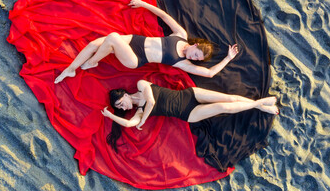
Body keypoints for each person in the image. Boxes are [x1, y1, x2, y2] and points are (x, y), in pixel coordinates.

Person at [54, 0, 239, 83]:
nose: (194, 58)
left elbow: (209, 74)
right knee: (94, 44)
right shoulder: (181, 34)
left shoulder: (183, 63)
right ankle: (70, 69)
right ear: (196, 45)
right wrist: (143, 4)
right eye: (196, 55)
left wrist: (228, 58)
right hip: (134, 40)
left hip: (135, 58)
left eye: (197, 60)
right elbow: (164, 16)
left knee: (112, 38)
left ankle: (92, 62)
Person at [102, 80, 279, 152]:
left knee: (230, 98)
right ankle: (262, 105)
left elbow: (151, 101)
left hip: (189, 95)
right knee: (224, 106)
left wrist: (145, 117)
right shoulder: (139, 111)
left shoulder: (141, 85)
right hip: (188, 113)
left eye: (119, 102)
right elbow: (128, 124)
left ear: (124, 94)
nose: (122, 106)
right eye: (119, 107)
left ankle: (261, 105)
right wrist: (111, 116)